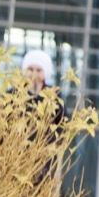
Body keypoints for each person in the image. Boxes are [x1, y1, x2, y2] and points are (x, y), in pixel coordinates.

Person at [21, 49, 65, 183]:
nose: (34, 74)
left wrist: (53, 144)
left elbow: (63, 123)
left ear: (45, 73)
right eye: (30, 69)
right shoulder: (15, 94)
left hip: (44, 160)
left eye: (39, 70)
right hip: (18, 158)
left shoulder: (53, 95)